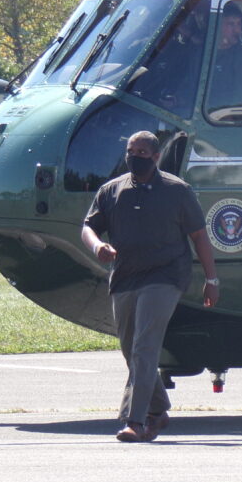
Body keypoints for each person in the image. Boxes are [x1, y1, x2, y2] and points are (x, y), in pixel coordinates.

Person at [81, 131, 219, 443]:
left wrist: (212, 280)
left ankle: (136, 420)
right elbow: (89, 226)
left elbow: (199, 236)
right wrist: (97, 246)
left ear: (155, 157)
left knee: (145, 346)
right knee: (131, 350)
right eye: (131, 150)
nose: (135, 156)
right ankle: (158, 409)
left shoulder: (177, 190)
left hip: (165, 277)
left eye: (143, 151)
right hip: (126, 276)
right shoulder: (112, 190)